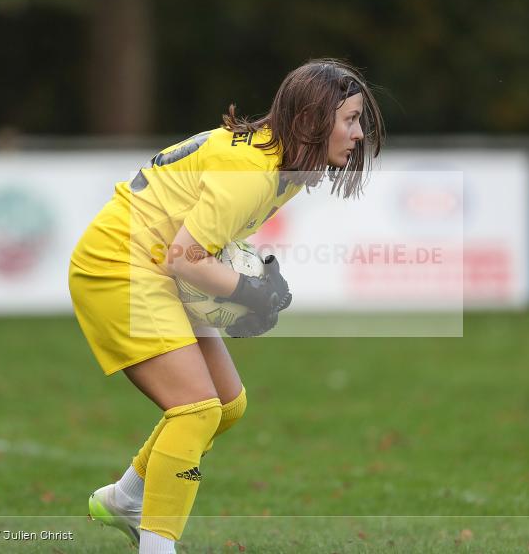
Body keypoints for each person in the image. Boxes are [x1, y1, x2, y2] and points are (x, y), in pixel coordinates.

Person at [68, 59, 384, 554]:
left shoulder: (282, 165)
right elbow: (184, 257)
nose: (359, 132)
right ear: (309, 121)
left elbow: (193, 245)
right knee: (194, 409)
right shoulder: (253, 172)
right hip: (118, 264)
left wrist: (244, 281)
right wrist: (247, 291)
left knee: (226, 405)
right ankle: (156, 547)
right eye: (349, 119)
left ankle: (127, 499)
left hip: (151, 261)